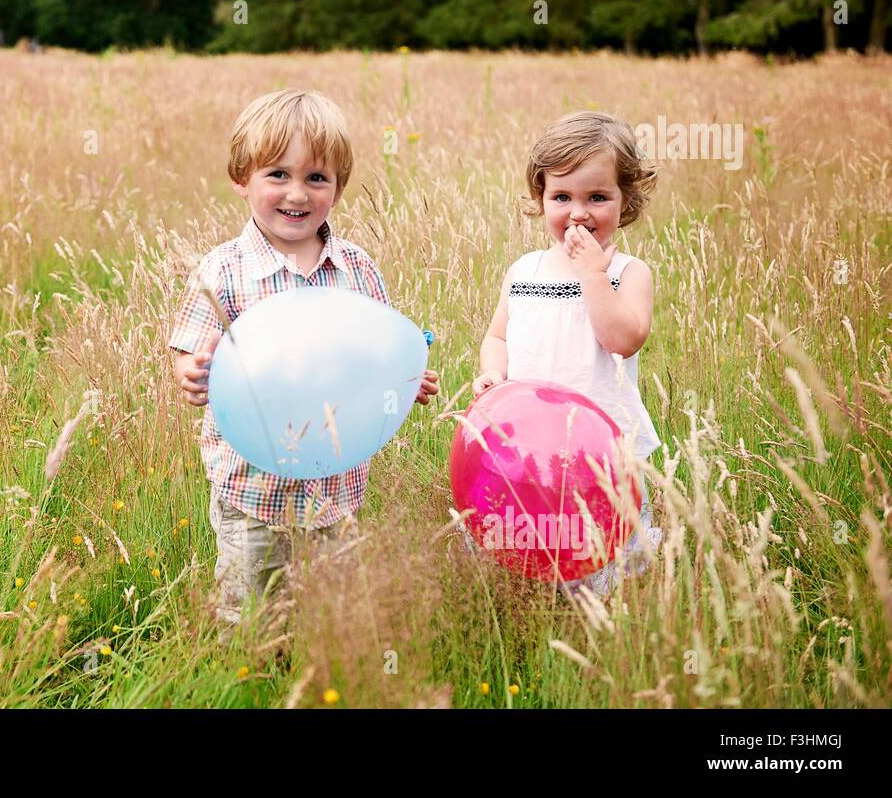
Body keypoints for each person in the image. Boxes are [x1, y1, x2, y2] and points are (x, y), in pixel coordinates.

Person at [168, 89, 440, 635]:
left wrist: (404, 380)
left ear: (338, 187)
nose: (297, 193)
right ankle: (248, 678)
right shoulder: (225, 270)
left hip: (335, 490)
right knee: (250, 611)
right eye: (277, 175)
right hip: (253, 489)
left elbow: (373, 352)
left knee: (330, 607)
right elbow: (190, 350)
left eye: (317, 178)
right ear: (241, 178)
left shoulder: (356, 268)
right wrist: (194, 372)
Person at [471, 111, 662, 596]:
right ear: (541, 199)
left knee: (608, 563)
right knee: (534, 545)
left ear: (627, 201)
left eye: (597, 197)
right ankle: (536, 612)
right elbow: (498, 336)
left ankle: (607, 626)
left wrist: (593, 275)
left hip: (605, 453)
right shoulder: (525, 271)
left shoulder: (627, 273)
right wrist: (494, 376)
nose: (578, 213)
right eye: (562, 197)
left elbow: (624, 338)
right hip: (534, 450)